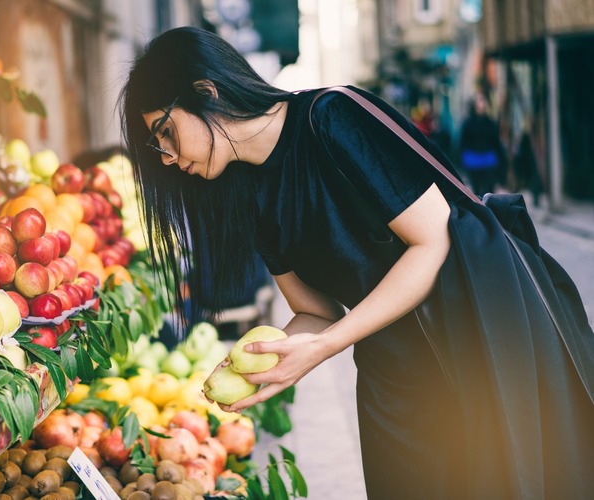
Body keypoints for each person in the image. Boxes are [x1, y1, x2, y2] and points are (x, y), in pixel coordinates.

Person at [119, 26, 594, 498]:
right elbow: (318, 313)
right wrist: (272, 360)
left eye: (166, 132)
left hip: (476, 341)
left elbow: (432, 242)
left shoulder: (332, 116)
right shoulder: (251, 197)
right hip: (394, 377)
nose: (165, 157)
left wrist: (326, 346)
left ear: (206, 92)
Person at [458, 92, 507, 196]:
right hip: (473, 161)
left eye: (482, 101)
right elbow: (463, 143)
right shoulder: (467, 124)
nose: (481, 104)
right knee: (476, 192)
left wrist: (502, 163)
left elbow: (496, 143)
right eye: (479, 101)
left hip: (488, 161)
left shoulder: (490, 123)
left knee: (489, 191)